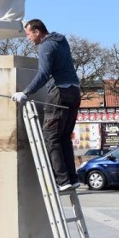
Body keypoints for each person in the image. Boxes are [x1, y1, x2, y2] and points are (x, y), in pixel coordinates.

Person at [11, 19, 81, 191]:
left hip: (59, 92)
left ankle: (62, 181)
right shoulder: (61, 40)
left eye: (28, 34)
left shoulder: (46, 47)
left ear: (37, 31)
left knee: (50, 136)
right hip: (74, 91)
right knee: (64, 136)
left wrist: (25, 93)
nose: (28, 38)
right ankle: (72, 178)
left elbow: (43, 74)